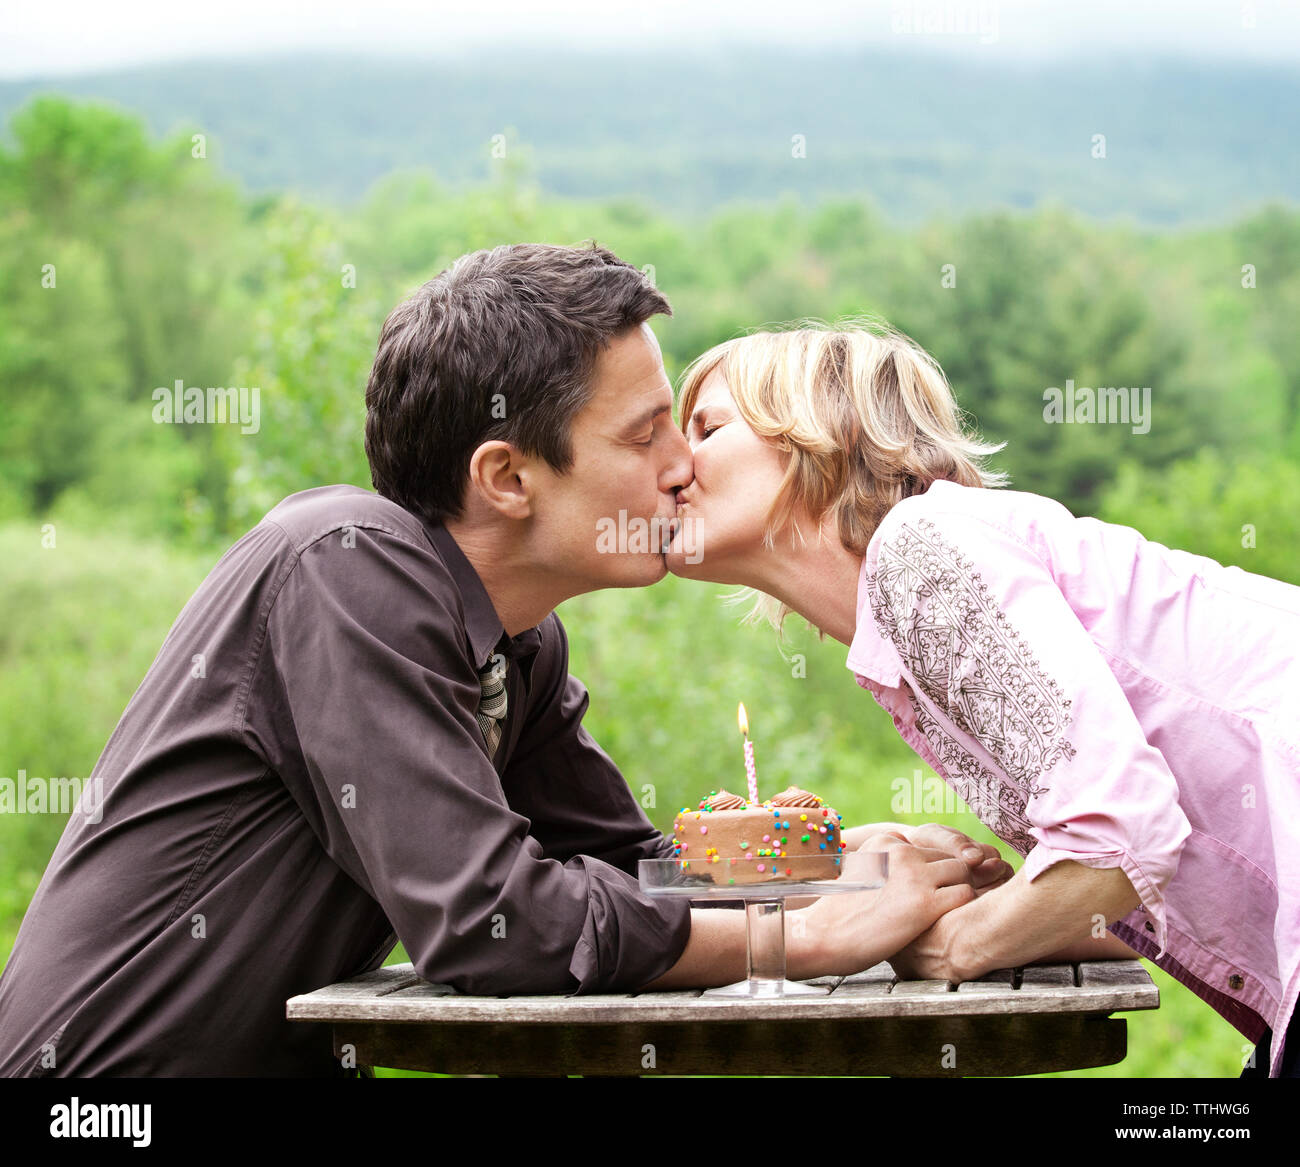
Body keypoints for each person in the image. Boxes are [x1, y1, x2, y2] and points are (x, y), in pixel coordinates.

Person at [0, 245, 1006, 1077]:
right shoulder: (345, 569)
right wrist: (799, 941)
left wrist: (809, 869)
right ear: (507, 476)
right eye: (645, 432)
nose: (681, 466)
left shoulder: (513, 644)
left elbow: (619, 870)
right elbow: (489, 922)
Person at [664, 318, 1300, 1078]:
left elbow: (1123, 838)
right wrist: (990, 898)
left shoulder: (920, 550)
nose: (674, 463)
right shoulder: (916, 609)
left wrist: (956, 944)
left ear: (816, 436)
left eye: (705, 427)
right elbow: (1141, 882)